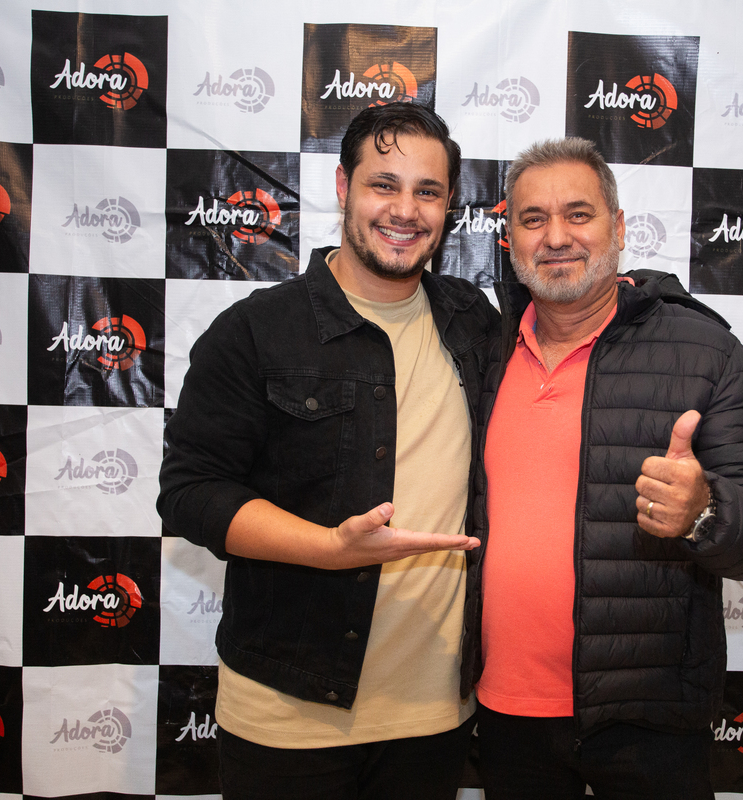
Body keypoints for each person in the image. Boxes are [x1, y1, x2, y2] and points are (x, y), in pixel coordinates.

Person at [158, 102, 499, 799]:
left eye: (427, 191)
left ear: (448, 207)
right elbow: (190, 493)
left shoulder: (474, 323)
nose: (405, 210)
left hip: (434, 717)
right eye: (384, 184)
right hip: (287, 718)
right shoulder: (254, 331)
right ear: (343, 187)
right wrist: (329, 549)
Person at [465, 138, 743, 799]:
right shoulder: (481, 350)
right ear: (510, 239)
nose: (556, 237)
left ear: (617, 228)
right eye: (533, 219)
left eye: (578, 214)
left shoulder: (703, 351)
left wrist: (706, 511)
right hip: (506, 716)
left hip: (649, 720)